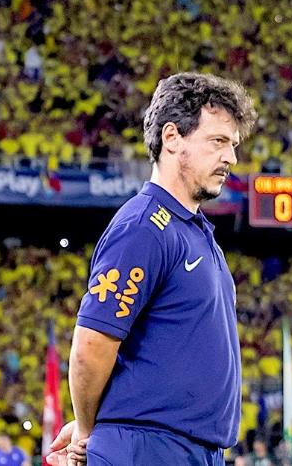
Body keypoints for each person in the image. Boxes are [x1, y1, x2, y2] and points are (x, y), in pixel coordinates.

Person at [47, 72, 257, 466]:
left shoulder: (194, 232)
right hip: (148, 449)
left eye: (233, 145)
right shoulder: (144, 227)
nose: (230, 157)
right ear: (172, 137)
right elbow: (91, 347)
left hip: (186, 450)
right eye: (218, 142)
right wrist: (91, 432)